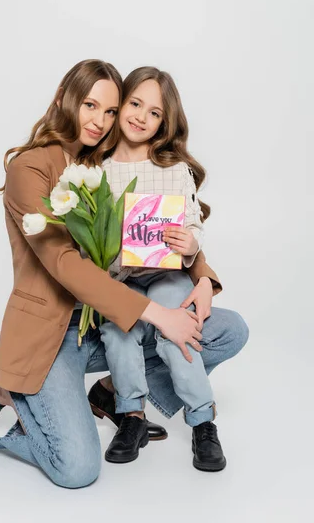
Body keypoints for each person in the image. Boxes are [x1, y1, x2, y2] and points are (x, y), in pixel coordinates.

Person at [0, 59, 249, 488]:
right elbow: (64, 263)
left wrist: (202, 274)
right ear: (64, 100)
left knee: (227, 330)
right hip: (54, 336)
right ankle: (7, 391)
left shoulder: (103, 162)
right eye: (89, 106)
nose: (100, 121)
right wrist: (157, 313)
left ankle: (111, 393)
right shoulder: (30, 168)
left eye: (111, 111)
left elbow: (157, 225)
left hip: (104, 324)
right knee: (78, 470)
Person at [99, 67, 236, 471]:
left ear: (165, 122)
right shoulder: (100, 169)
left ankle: (203, 421)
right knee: (117, 330)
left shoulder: (172, 168)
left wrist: (191, 243)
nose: (141, 116)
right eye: (135, 103)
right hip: (119, 276)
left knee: (180, 332)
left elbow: (193, 223)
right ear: (120, 103)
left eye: (154, 112)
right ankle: (131, 416)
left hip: (166, 273)